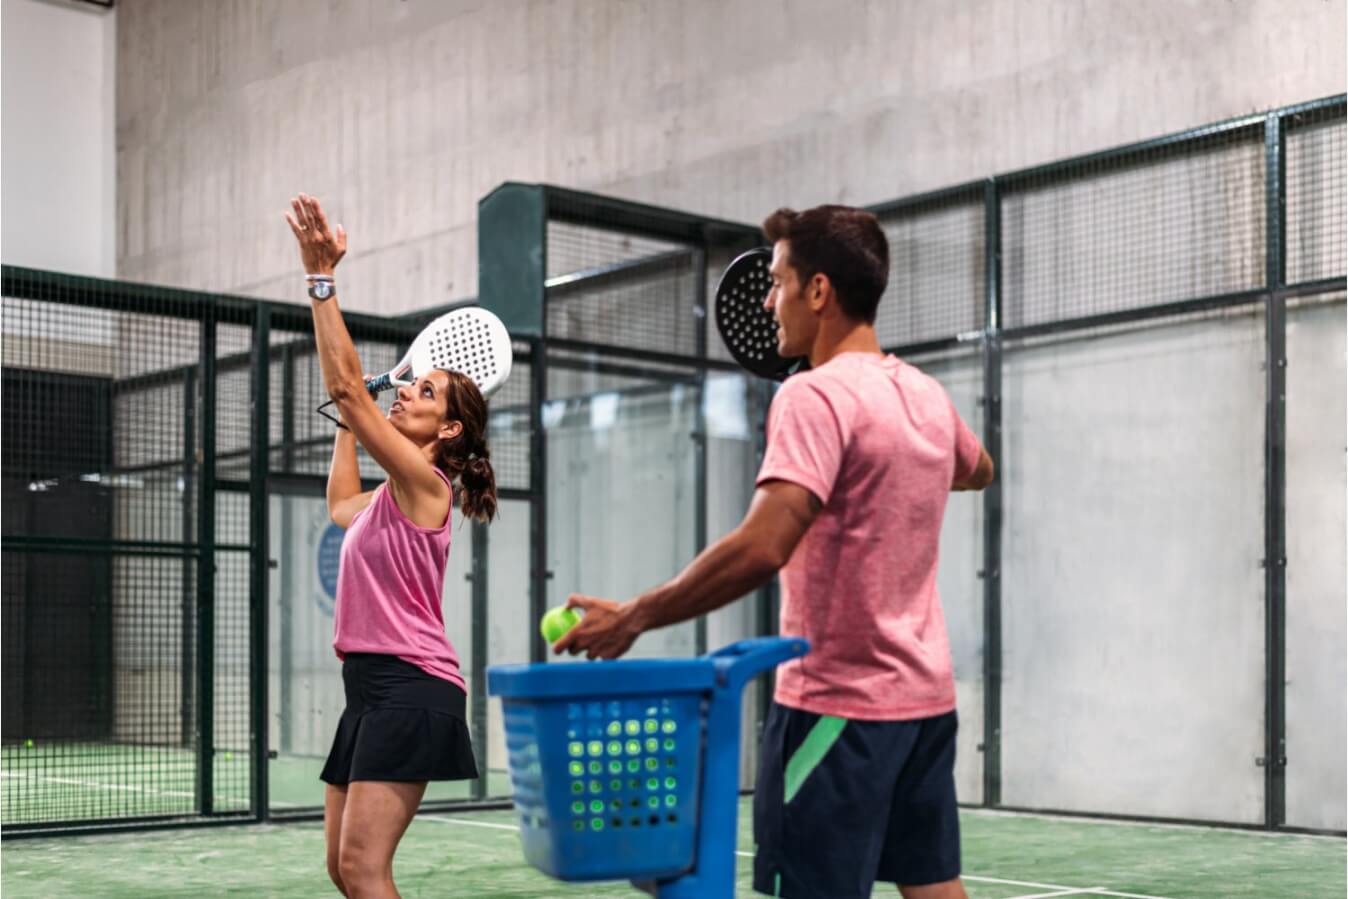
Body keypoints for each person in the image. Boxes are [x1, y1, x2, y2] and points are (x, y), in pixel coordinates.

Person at [555, 204, 994, 899]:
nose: (767, 301)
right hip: (925, 703)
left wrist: (636, 615)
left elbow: (763, 546)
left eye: (777, 281)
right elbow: (978, 468)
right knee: (934, 886)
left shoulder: (812, 396)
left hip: (837, 707)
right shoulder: (926, 396)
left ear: (818, 291)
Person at [286, 193, 494, 899]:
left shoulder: (428, 487)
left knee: (365, 870)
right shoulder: (389, 496)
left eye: (424, 392)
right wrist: (354, 420)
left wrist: (321, 279)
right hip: (368, 691)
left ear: (449, 430)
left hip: (411, 686)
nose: (406, 392)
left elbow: (346, 386)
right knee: (343, 869)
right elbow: (341, 506)